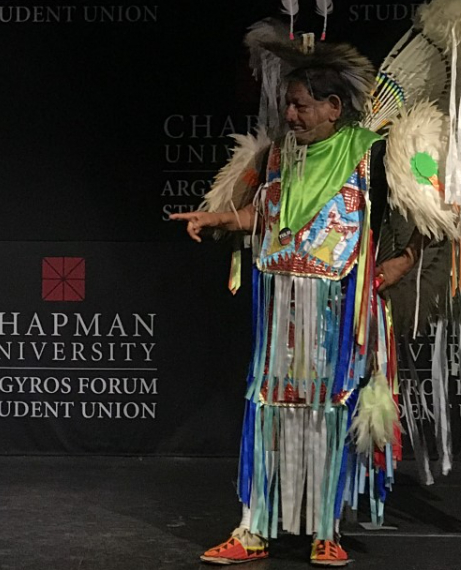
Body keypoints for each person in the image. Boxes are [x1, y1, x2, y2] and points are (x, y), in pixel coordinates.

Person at [173, 53, 411, 566]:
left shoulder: (371, 154)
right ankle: (252, 527)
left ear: (331, 107)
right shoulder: (279, 156)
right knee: (268, 410)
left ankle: (326, 529)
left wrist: (400, 263)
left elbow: (423, 217)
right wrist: (215, 216)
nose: (291, 115)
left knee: (329, 413)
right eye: (287, 105)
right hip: (279, 308)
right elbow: (264, 212)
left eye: (301, 106)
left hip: (337, 311)